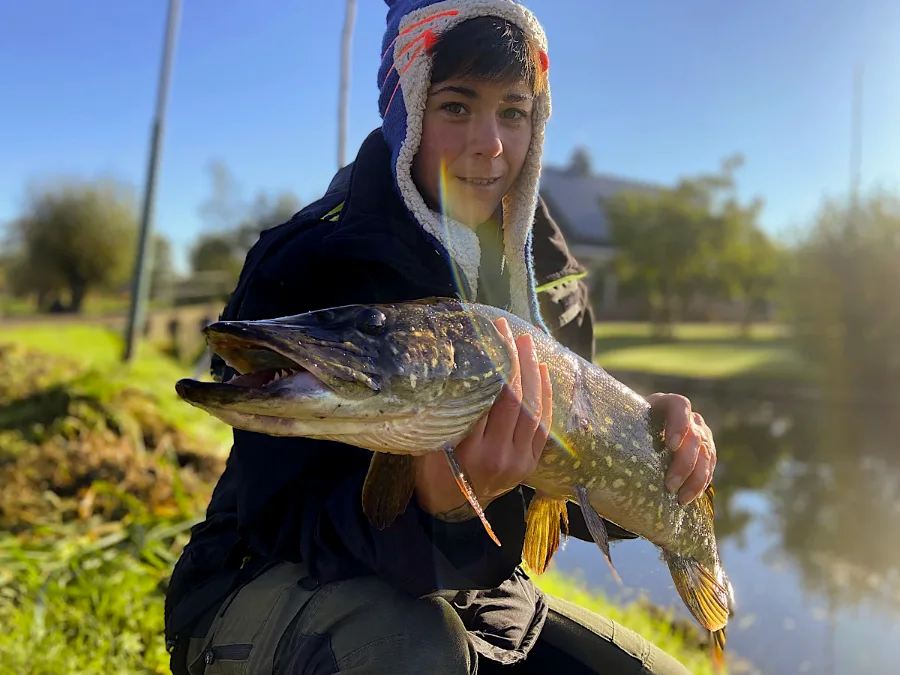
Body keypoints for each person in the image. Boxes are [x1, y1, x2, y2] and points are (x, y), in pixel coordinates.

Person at [164, 2, 718, 673]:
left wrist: (656, 442)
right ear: (407, 112)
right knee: (414, 652)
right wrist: (437, 504)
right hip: (260, 584)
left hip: (476, 599)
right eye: (456, 105)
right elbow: (280, 516)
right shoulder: (312, 258)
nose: (490, 143)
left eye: (513, 112)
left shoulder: (547, 279)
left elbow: (568, 492)